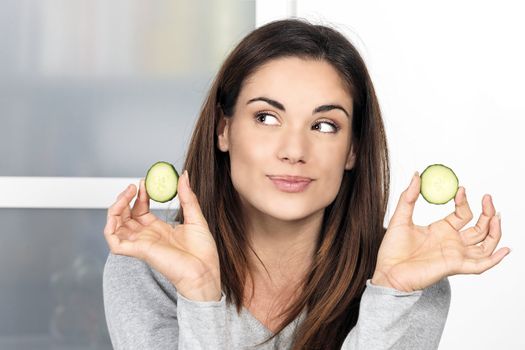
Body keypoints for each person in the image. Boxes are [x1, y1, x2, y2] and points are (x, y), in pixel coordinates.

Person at [102, 18, 510, 349]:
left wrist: (391, 294)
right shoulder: (147, 263)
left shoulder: (412, 278)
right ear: (223, 130)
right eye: (266, 117)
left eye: (324, 125)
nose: (294, 150)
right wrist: (200, 293)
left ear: (352, 149)